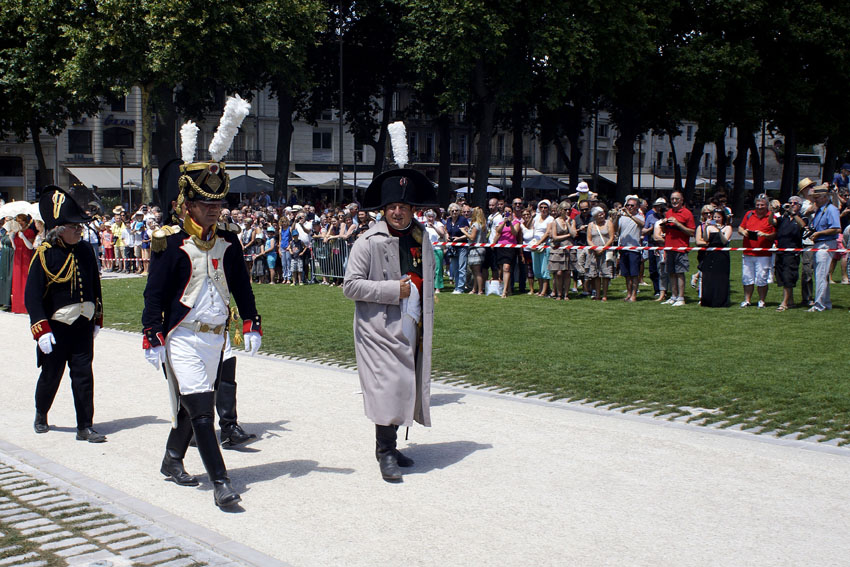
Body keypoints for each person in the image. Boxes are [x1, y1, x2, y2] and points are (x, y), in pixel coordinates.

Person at [143, 149, 262, 508]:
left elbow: (241, 285)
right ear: (188, 205)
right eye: (206, 203)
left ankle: (171, 459)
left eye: (218, 203)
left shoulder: (227, 239)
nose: (214, 209)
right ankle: (221, 483)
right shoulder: (169, 240)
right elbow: (154, 293)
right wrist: (152, 334)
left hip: (216, 337)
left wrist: (251, 321)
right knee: (202, 411)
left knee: (193, 405)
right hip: (182, 335)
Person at [343, 167, 437, 483]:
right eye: (392, 207)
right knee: (387, 387)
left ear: (412, 209)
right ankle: (384, 452)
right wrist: (392, 290)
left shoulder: (421, 237)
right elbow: (350, 286)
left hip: (412, 320)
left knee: (405, 384)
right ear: (384, 210)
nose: (398, 212)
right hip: (377, 328)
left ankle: (391, 446)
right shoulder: (367, 241)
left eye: (403, 206)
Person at [25, 186, 105, 442]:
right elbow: (32, 297)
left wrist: (97, 318)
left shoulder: (85, 250)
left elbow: (94, 286)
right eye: (74, 227)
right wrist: (41, 330)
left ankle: (85, 426)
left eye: (80, 227)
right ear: (60, 229)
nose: (79, 231)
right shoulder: (45, 254)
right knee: (51, 376)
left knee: (84, 376)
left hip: (83, 325)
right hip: (57, 328)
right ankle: (41, 413)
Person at [805, 184, 841, 311]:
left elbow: (837, 228)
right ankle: (825, 303)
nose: (815, 200)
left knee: (820, 275)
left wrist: (819, 233)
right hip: (819, 243)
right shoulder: (820, 210)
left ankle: (819, 305)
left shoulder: (831, 210)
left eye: (817, 197)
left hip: (826, 243)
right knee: (821, 275)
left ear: (825, 197)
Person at [736, 194, 776, 308]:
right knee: (747, 277)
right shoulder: (749, 214)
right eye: (757, 204)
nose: (759, 207)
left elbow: (775, 235)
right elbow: (740, 227)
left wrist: (765, 235)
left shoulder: (771, 217)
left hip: (763, 254)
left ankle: (762, 300)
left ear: (767, 205)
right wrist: (743, 232)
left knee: (762, 278)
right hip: (748, 252)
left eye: (762, 205)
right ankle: (747, 300)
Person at [662, 191, 695, 306]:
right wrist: (663, 224)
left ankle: (681, 298)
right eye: (672, 199)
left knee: (680, 273)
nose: (674, 201)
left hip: (681, 248)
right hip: (669, 247)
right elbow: (665, 231)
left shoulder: (687, 213)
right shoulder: (668, 212)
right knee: (671, 273)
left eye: (677, 199)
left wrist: (678, 224)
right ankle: (673, 296)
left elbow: (692, 232)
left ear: (682, 200)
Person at [773, 197, 806, 311]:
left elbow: (803, 225)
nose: (792, 205)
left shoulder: (802, 217)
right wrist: (772, 211)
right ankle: (790, 301)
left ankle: (784, 303)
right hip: (781, 251)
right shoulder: (783, 218)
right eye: (790, 203)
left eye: (794, 203)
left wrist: (793, 214)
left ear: (800, 206)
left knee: (788, 276)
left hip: (792, 252)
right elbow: (772, 222)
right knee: (782, 277)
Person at [696, 208, 732, 307]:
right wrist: (706, 227)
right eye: (715, 217)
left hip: (722, 255)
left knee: (721, 278)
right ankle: (707, 300)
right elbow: (706, 239)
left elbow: (724, 241)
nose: (716, 219)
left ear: (722, 218)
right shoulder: (710, 228)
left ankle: (720, 301)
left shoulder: (727, 228)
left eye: (718, 217)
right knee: (708, 277)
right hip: (710, 254)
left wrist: (719, 230)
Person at [538, 202, 573, 300]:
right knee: (558, 273)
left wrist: (568, 223)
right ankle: (559, 294)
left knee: (567, 273)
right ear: (560, 210)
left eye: (569, 209)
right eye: (565, 209)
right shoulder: (554, 222)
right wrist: (568, 235)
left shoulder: (571, 221)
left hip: (569, 249)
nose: (567, 211)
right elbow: (555, 237)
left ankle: (566, 295)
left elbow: (574, 234)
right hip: (557, 248)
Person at [613, 195, 645, 302]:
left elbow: (642, 224)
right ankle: (629, 293)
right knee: (626, 274)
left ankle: (634, 295)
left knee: (634, 274)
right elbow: (615, 229)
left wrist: (630, 215)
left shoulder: (640, 216)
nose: (629, 207)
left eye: (632, 205)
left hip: (634, 249)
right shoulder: (622, 218)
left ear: (637, 207)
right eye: (628, 205)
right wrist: (617, 217)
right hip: (623, 248)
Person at [585, 206, 615, 301]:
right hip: (594, 252)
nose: (602, 215)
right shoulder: (591, 225)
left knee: (605, 274)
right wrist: (595, 248)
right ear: (595, 216)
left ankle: (605, 295)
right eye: (599, 214)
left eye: (603, 213)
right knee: (596, 274)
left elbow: (611, 237)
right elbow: (589, 239)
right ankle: (597, 294)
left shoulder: (608, 223)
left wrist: (603, 248)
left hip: (606, 252)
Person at [493, 204, 521, 298]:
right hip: (501, 247)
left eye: (509, 211)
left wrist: (510, 224)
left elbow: (515, 233)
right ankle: (508, 289)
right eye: (505, 211)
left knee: (506, 268)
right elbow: (498, 232)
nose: (507, 213)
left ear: (512, 212)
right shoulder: (501, 222)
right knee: (502, 269)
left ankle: (504, 291)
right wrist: (504, 222)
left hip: (510, 247)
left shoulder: (516, 222)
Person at [11, 213, 36, 313]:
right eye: (18, 221)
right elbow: (14, 247)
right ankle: (17, 306)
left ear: (25, 222)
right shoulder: (16, 232)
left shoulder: (29, 232)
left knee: (25, 281)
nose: (19, 223)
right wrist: (12, 238)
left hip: (26, 258)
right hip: (17, 258)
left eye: (21, 221)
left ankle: (26, 306)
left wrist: (23, 237)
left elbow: (30, 246)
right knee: (17, 281)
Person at [643, 197, 667, 298]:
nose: (659, 209)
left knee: (663, 268)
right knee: (653, 269)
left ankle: (664, 289)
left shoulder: (668, 217)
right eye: (657, 206)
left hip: (664, 245)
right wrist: (652, 228)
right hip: (652, 244)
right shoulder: (650, 217)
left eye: (661, 207)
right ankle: (657, 289)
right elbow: (644, 231)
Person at [530, 200, 554, 297]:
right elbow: (530, 227)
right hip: (535, 245)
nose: (543, 209)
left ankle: (544, 290)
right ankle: (540, 289)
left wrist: (539, 243)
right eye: (541, 207)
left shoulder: (550, 219)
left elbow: (547, 232)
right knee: (537, 269)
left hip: (545, 245)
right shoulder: (536, 217)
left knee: (544, 269)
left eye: (545, 207)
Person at [444, 203, 469, 294]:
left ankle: (461, 288)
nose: (454, 212)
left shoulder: (463, 220)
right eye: (452, 211)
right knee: (455, 268)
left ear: (459, 211)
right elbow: (446, 230)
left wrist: (459, 238)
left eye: (456, 210)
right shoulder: (449, 220)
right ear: (449, 212)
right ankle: (457, 287)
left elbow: (467, 233)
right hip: (452, 247)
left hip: (462, 246)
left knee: (462, 267)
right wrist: (447, 236)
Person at [464, 207, 487, 295]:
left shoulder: (476, 225)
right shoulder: (482, 224)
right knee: (475, 272)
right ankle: (474, 289)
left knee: (477, 272)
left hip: (476, 249)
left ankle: (480, 290)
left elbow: (472, 237)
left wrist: (464, 232)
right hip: (480, 248)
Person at [424, 209, 447, 294]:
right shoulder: (424, 225)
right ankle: (429, 286)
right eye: (429, 217)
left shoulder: (439, 224)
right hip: (427, 249)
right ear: (426, 217)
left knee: (438, 269)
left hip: (437, 249)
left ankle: (438, 287)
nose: (430, 218)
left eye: (432, 216)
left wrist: (433, 227)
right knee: (428, 269)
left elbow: (442, 234)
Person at [0, 219, 13, 309]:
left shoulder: (13, 232)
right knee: (3, 275)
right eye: (6, 220)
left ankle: (7, 301)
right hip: (4, 253)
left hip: (10, 253)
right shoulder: (5, 232)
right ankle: (2, 299)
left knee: (9, 276)